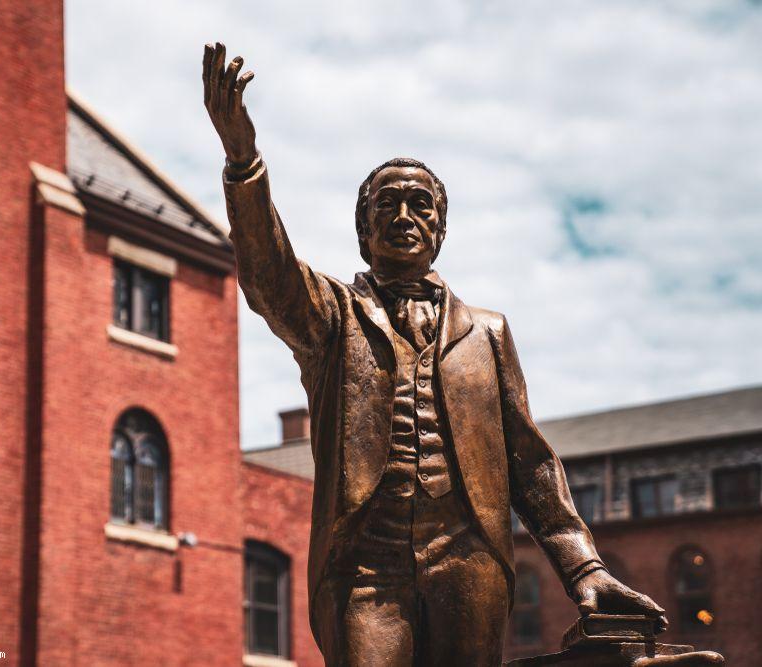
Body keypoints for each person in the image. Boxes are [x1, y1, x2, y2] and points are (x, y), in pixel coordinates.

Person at [202, 43, 666, 666]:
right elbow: (268, 275)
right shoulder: (331, 319)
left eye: (419, 205)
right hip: (366, 566)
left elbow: (529, 463)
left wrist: (583, 567)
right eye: (384, 205)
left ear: (440, 229)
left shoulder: (487, 334)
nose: (402, 216)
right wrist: (242, 161)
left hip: (469, 562)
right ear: (363, 232)